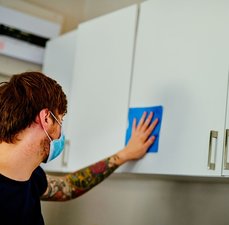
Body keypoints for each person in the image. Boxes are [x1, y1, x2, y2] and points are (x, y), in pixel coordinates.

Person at [0, 71, 158, 225]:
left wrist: (125, 154)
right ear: (46, 118)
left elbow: (69, 187)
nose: (60, 133)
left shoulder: (32, 177)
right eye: (60, 121)